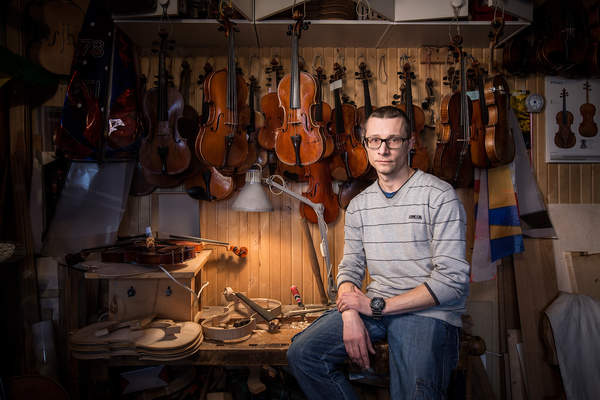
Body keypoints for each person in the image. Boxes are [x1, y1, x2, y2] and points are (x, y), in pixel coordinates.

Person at [286, 106, 470, 399]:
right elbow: (351, 267)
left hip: (427, 312)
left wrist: (373, 307)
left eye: (393, 140)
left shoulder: (439, 196)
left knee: (414, 394)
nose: (383, 149)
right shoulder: (359, 205)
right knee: (303, 355)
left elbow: (452, 282)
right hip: (376, 308)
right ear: (366, 143)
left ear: (410, 143)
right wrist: (349, 314)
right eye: (375, 140)